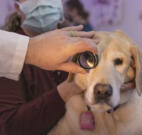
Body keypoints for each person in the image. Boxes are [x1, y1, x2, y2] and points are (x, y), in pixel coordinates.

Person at [0, 0, 97, 135]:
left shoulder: (77, 44)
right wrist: (67, 89)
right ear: (17, 7)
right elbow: (10, 127)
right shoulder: (6, 55)